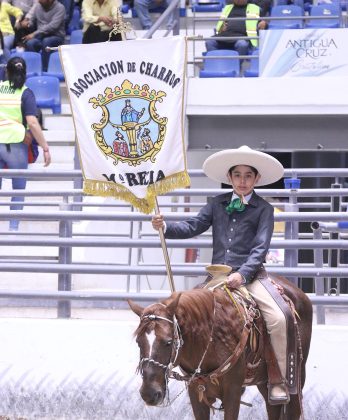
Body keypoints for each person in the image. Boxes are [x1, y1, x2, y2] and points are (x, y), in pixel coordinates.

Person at [152, 145, 290, 404]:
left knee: (278, 319)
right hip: (216, 278)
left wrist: (243, 274)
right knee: (184, 315)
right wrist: (166, 226)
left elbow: (261, 248)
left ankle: (277, 377)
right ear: (229, 178)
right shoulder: (217, 203)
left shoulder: (264, 210)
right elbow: (193, 226)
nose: (242, 180)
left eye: (248, 176)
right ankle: (195, 373)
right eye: (237, 175)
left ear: (256, 179)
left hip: (252, 277)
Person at [0, 56, 51, 230]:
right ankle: (13, 227)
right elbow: (33, 122)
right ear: (25, 73)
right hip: (15, 143)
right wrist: (44, 147)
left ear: (7, 71)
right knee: (18, 188)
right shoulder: (26, 92)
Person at [20, 0, 65, 71]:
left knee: (46, 42)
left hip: (56, 36)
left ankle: (45, 69)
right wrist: (28, 24)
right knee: (30, 43)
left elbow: (52, 26)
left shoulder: (60, 8)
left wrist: (34, 34)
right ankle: (34, 68)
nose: (39, 1)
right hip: (41, 36)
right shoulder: (38, 5)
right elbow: (32, 19)